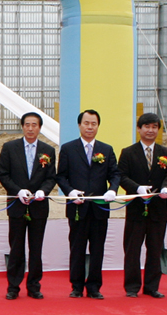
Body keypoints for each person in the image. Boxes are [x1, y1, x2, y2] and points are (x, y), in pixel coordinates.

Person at [55, 109, 120, 300]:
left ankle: (94, 286)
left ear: (98, 126)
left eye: (94, 124)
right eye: (86, 123)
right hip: (77, 207)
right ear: (79, 125)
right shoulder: (68, 149)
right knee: (77, 248)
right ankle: (76, 286)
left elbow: (115, 174)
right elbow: (61, 176)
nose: (90, 127)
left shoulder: (106, 149)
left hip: (99, 208)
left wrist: (112, 190)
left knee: (97, 249)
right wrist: (70, 192)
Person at [0, 112, 56, 300]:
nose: (30, 128)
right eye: (27, 125)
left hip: (39, 207)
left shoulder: (48, 150)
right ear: (22, 126)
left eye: (34, 125)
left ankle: (34, 286)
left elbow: (51, 177)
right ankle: (13, 286)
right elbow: (3, 174)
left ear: (40, 128)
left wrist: (43, 191)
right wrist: (18, 191)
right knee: (16, 247)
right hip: (17, 205)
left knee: (36, 248)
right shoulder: (9, 148)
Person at [117, 113, 167, 298]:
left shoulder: (166, 153)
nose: (150, 130)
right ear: (139, 129)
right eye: (147, 127)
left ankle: (152, 287)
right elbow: (121, 176)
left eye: (154, 127)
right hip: (135, 209)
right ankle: (132, 287)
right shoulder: (128, 152)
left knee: (155, 249)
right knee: (132, 250)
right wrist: (137, 188)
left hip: (158, 209)